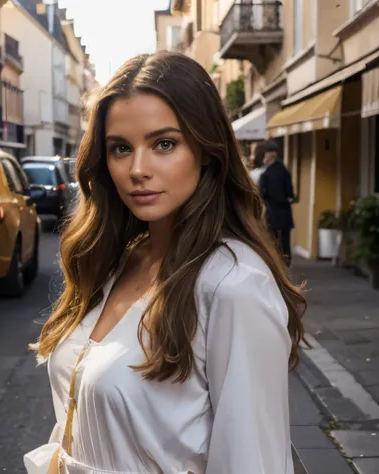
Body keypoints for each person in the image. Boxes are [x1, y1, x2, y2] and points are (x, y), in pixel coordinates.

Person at [26, 52, 306, 474]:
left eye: (164, 144)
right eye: (121, 148)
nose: (138, 169)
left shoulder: (232, 284)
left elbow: (253, 462)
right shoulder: (120, 260)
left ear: (207, 151)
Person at [259, 140, 295, 267]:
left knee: (272, 237)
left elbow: (261, 192)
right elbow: (290, 192)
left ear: (269, 156)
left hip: (271, 209)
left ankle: (274, 261)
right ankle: (286, 260)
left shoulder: (266, 173)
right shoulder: (284, 170)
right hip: (284, 209)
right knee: (285, 238)